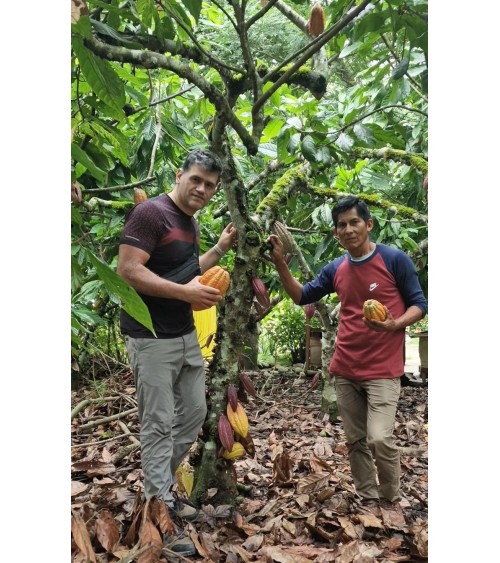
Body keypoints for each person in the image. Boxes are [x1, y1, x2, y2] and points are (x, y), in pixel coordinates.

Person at [268, 195, 427, 517]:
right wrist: (281, 263)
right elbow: (301, 296)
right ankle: (368, 497)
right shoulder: (335, 269)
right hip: (345, 367)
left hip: (383, 369)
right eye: (342, 225)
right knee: (355, 440)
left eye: (355, 222)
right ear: (336, 233)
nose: (349, 229)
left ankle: (391, 499)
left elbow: (420, 304)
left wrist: (395, 323)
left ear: (368, 224)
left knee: (380, 438)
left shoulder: (394, 260)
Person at [117, 149, 237, 556]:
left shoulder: (189, 223)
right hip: (150, 338)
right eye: (196, 180)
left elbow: (185, 272)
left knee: (194, 414)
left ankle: (158, 490)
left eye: (210, 185)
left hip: (184, 334)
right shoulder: (151, 214)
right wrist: (185, 293)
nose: (201, 189)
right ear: (179, 174)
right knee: (157, 422)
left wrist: (218, 249)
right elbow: (129, 270)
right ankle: (158, 514)